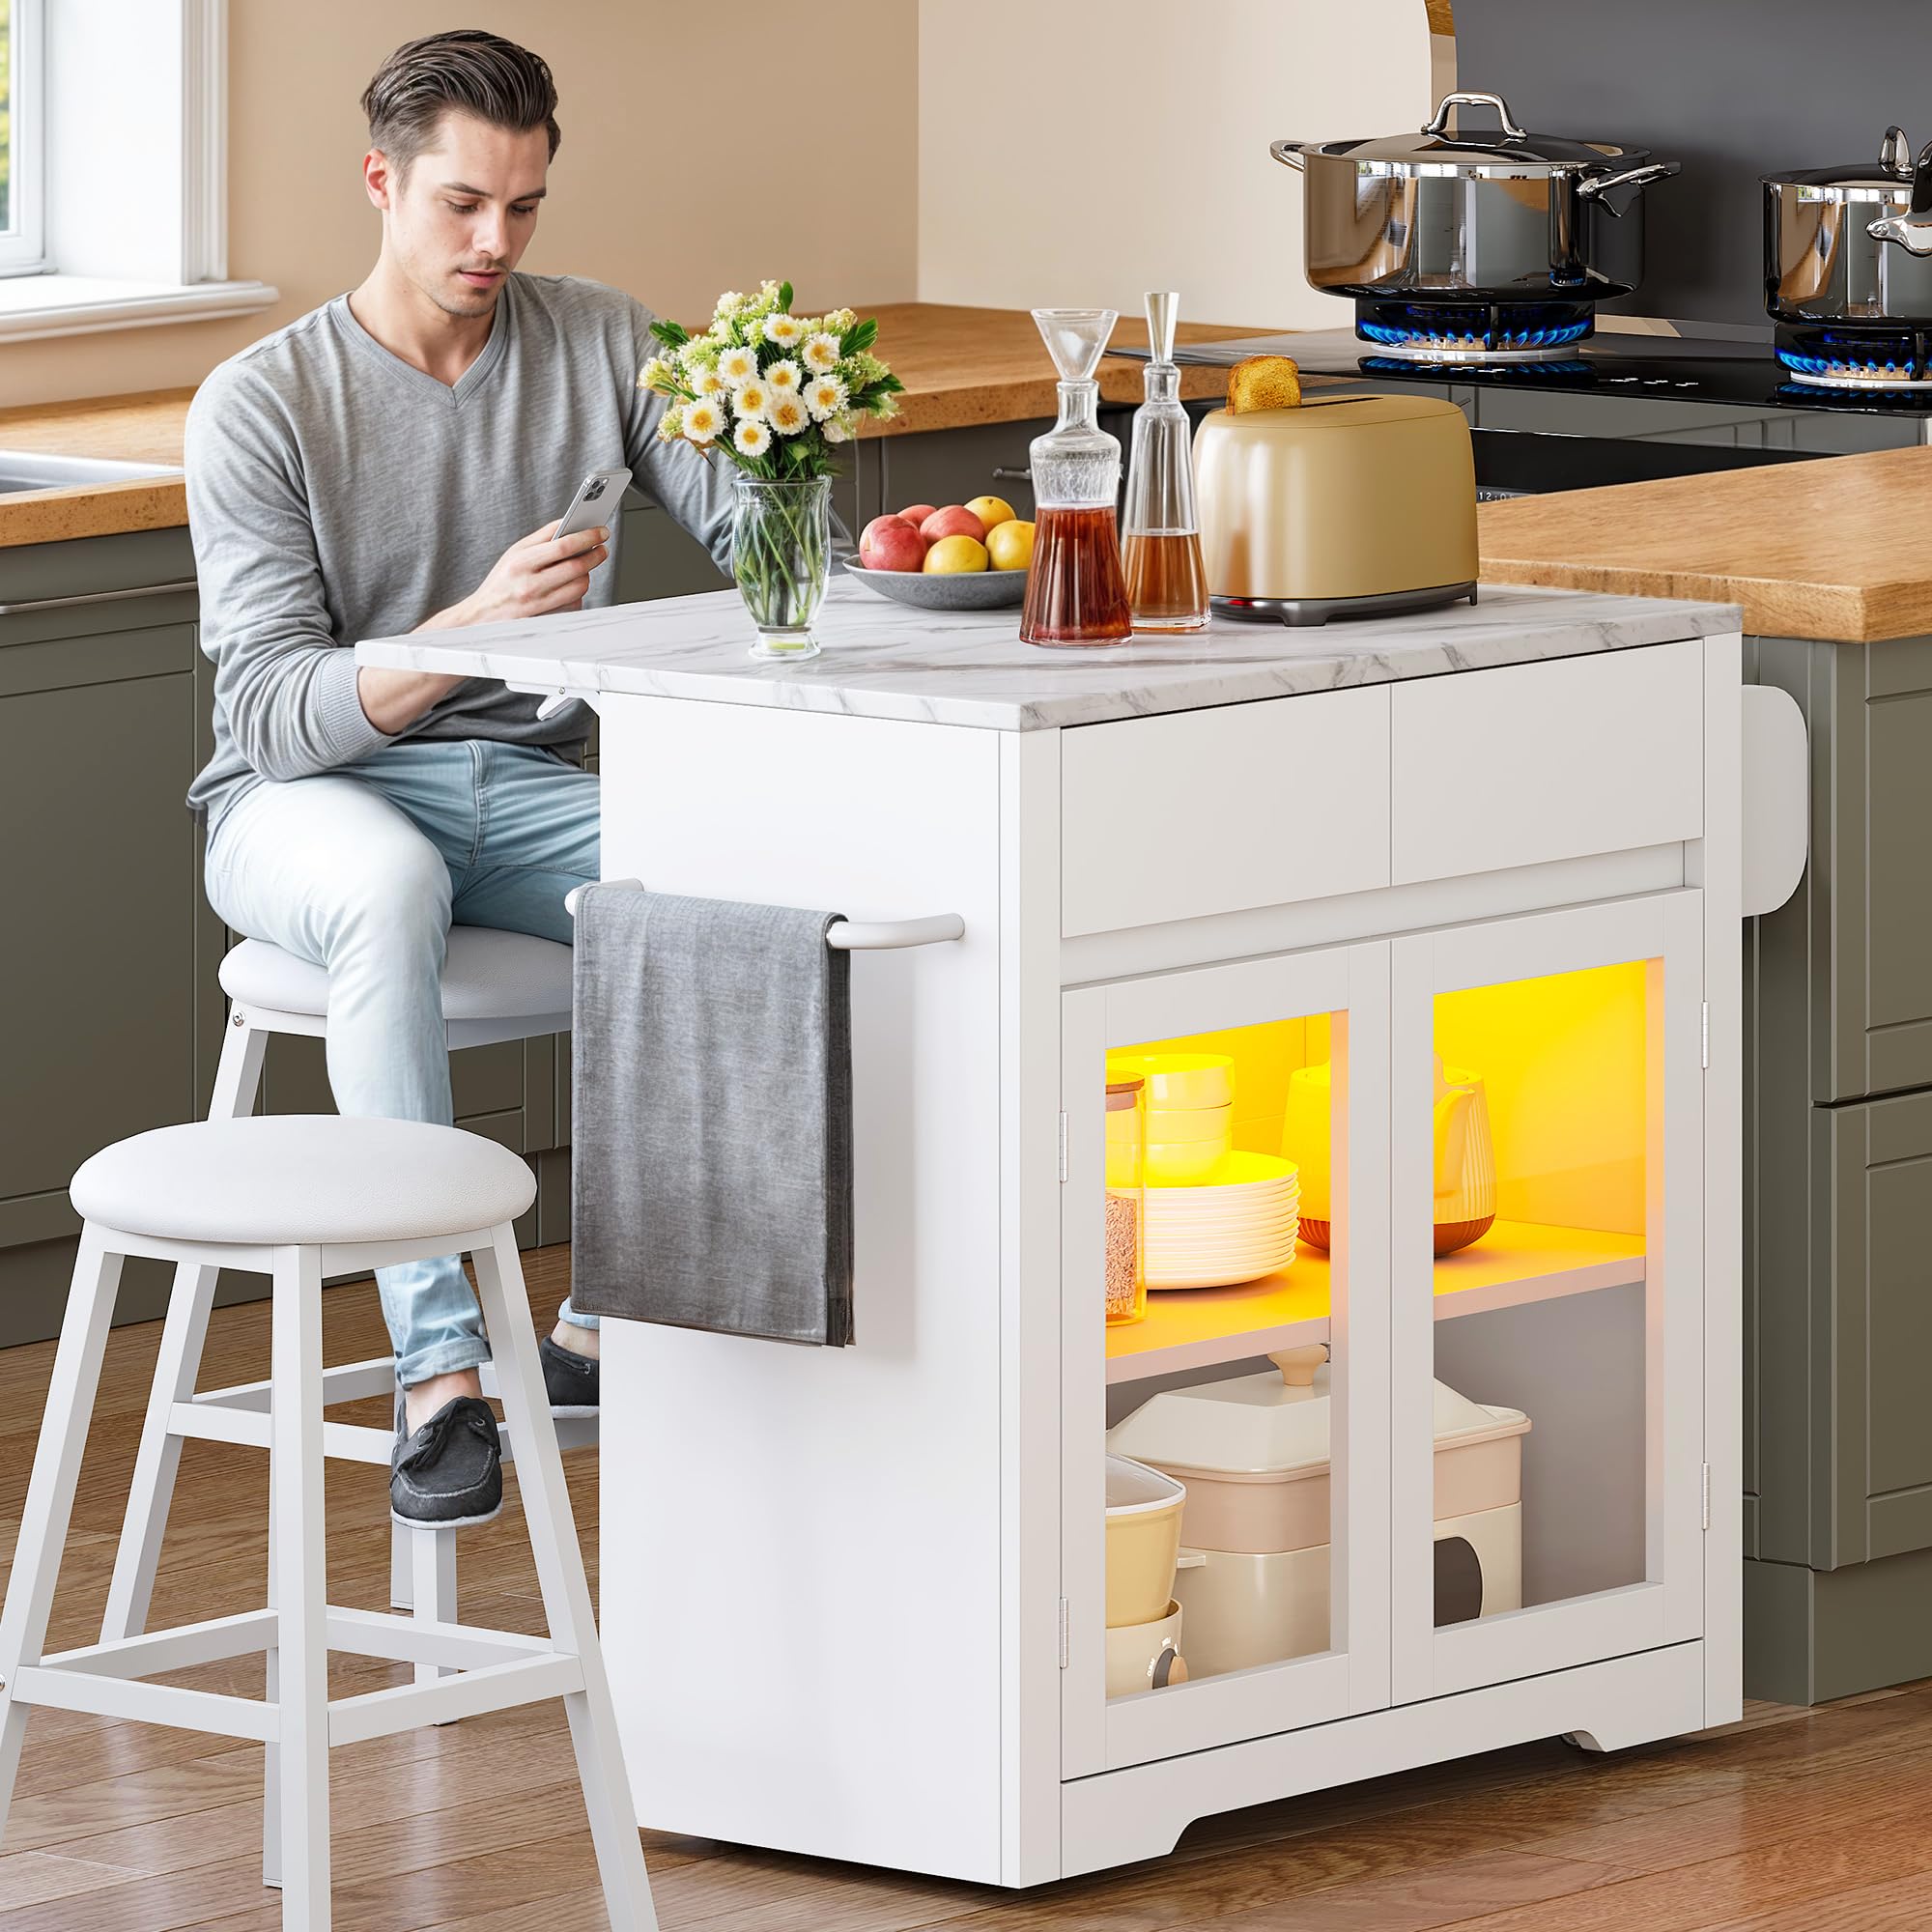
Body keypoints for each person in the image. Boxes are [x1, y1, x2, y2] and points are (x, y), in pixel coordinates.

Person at [184, 29, 733, 1530]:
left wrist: (777, 431)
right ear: (381, 182)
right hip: (303, 805)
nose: (497, 242)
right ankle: (441, 1373)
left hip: (527, 782)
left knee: (720, 896)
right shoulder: (261, 403)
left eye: (527, 206)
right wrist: (468, 627)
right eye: (461, 206)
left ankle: (611, 1327)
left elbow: (762, 538)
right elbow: (277, 714)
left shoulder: (604, 339)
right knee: (388, 885)